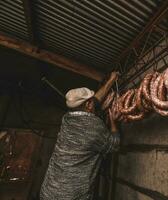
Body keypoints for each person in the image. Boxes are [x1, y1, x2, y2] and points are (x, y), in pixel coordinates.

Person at [40, 72, 120, 200]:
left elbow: (94, 102)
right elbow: (114, 145)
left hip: (48, 192)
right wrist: (113, 124)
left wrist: (111, 80)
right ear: (88, 105)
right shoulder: (94, 126)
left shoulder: (66, 119)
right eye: (90, 102)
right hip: (73, 196)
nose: (93, 102)